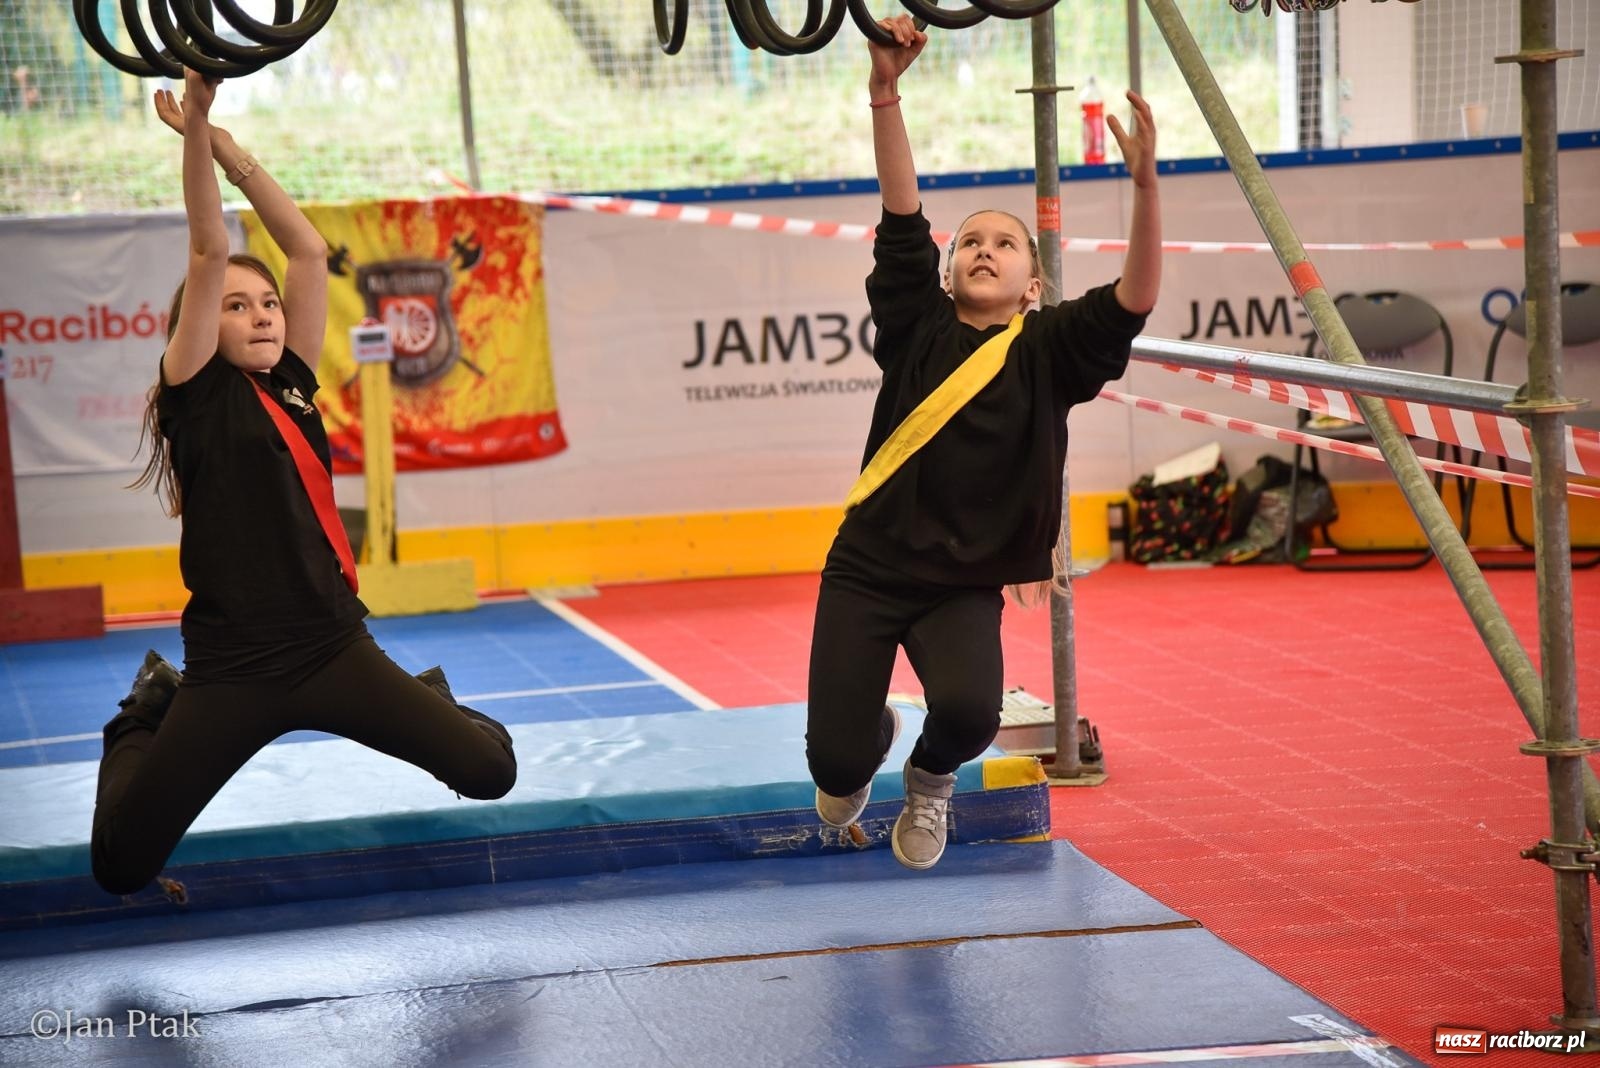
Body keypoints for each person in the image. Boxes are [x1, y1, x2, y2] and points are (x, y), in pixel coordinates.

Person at [93, 68, 517, 897]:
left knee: (490, 769)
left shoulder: (290, 383)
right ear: (198, 325)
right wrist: (195, 130)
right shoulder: (194, 393)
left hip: (331, 646)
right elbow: (210, 250)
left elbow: (310, 252)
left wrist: (231, 150)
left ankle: (425, 698)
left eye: (268, 304)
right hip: (232, 666)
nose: (260, 314)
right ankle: (147, 710)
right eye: (236, 306)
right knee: (120, 867)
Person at [807, 17, 1161, 870]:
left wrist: (1147, 188)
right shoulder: (916, 324)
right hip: (870, 564)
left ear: (1034, 284)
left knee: (971, 715)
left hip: (962, 582)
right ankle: (867, 739)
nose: (984, 251)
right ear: (947, 269)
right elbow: (902, 211)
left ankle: (930, 780)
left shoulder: (1049, 349)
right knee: (836, 769)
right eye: (970, 242)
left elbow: (1134, 298)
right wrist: (884, 92)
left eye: (1005, 244)